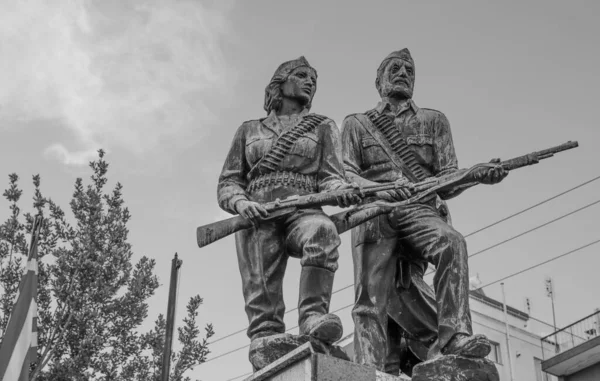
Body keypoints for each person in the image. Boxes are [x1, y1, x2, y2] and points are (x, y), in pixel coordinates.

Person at [340, 48, 508, 375]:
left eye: (410, 70)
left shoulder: (434, 121)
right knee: (370, 300)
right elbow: (344, 173)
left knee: (452, 244)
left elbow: (447, 181)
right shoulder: (356, 124)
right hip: (374, 209)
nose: (404, 73)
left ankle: (453, 338)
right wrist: (380, 189)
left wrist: (475, 176)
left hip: (419, 208)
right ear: (379, 80)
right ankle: (368, 369)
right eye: (395, 68)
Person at [217, 56, 360, 370]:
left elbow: (331, 174)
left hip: (303, 208)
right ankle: (266, 336)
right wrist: (241, 204)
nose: (310, 81)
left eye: (313, 79)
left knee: (322, 232)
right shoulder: (249, 129)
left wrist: (341, 189)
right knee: (261, 288)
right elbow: (229, 181)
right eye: (301, 75)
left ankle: (312, 316)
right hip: (256, 214)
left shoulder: (323, 126)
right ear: (278, 84)